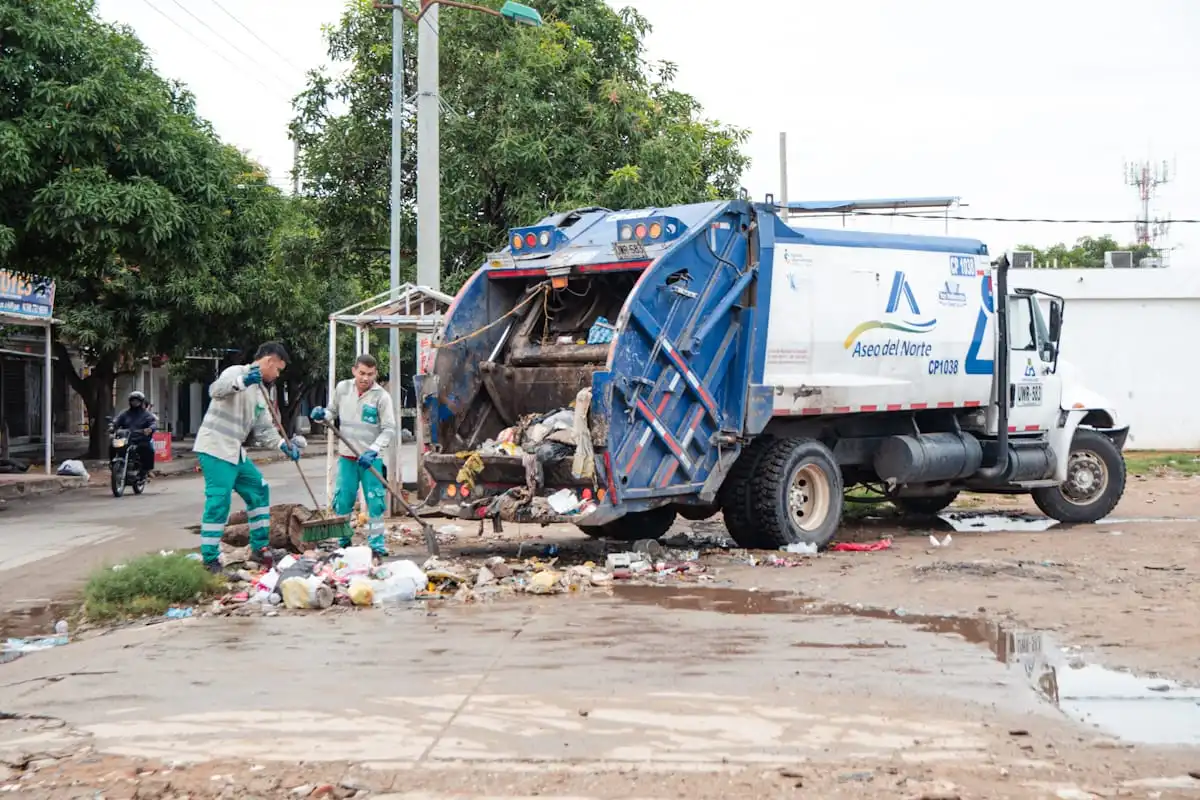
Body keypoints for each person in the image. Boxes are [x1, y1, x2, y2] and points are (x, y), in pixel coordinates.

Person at [194, 342, 306, 573]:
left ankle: (259, 548)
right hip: (215, 447)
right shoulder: (236, 373)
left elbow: (264, 429)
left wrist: (282, 445)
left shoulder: (260, 392)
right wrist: (243, 381)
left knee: (259, 490)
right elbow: (216, 390)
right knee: (219, 501)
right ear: (269, 361)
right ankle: (209, 559)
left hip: (234, 451)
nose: (276, 375)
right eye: (277, 370)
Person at [309, 353, 396, 557]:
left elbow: (389, 429)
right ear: (354, 370)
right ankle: (342, 541)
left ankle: (376, 545)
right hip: (347, 457)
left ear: (375, 374)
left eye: (370, 374)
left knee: (375, 502)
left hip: (370, 460)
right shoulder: (342, 388)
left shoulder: (381, 396)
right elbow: (332, 412)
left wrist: (373, 450)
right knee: (343, 501)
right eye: (362, 373)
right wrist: (322, 416)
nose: (365, 378)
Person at [111, 391, 157, 481]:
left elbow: (153, 423)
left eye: (137, 401)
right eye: (133, 401)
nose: (135, 403)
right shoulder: (124, 414)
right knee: (113, 446)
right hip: (126, 439)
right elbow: (117, 421)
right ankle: (114, 464)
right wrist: (112, 426)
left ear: (141, 402)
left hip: (140, 439)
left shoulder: (146, 414)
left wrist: (150, 429)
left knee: (148, 449)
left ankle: (145, 470)